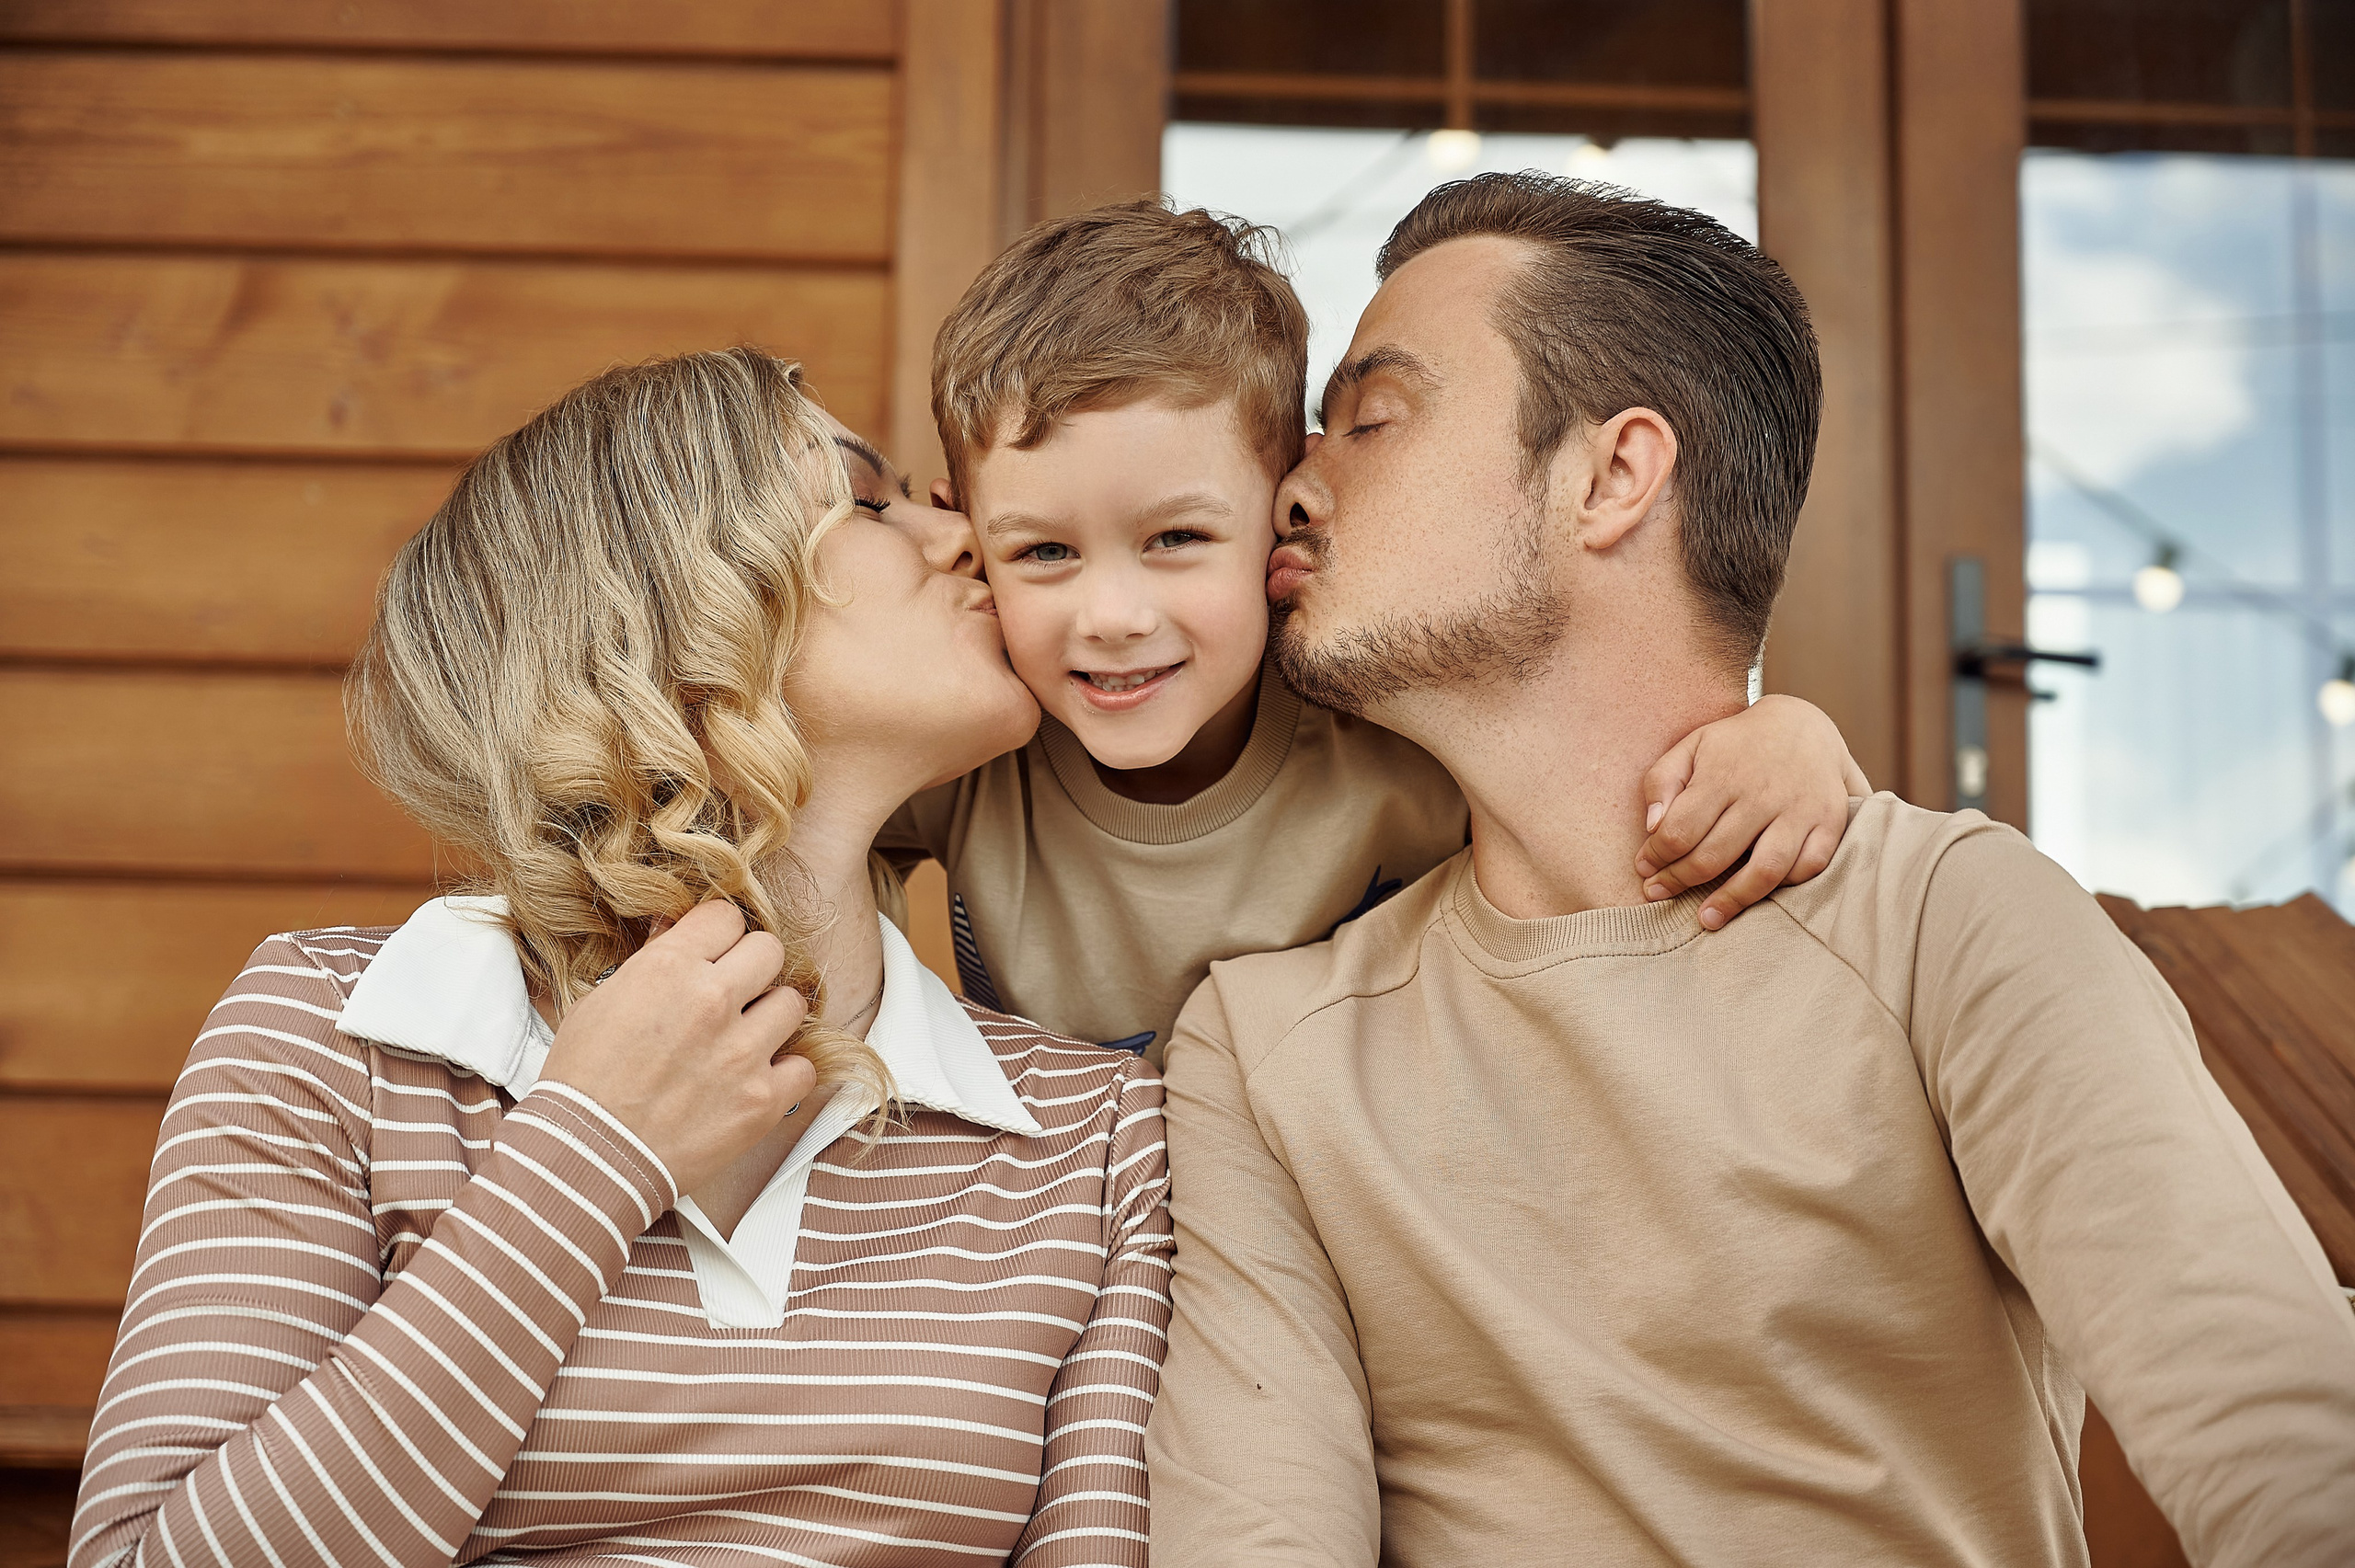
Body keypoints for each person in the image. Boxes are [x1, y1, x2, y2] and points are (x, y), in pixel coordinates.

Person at [1145, 174, 2355, 1567]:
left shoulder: (1945, 925)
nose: (1292, 480)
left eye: (1371, 420)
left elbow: (2286, 1450)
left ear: (1612, 476)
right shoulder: (1265, 1048)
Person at [69, 348, 1170, 1568]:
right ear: (657, 605)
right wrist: (591, 1151)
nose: (959, 533)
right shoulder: (338, 1037)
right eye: (867, 499)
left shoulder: (1091, 1131)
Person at [879, 200, 1872, 1061]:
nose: (1115, 618)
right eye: (1043, 554)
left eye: (1176, 538)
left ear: (1285, 501)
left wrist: (1785, 733)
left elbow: (1601, 762)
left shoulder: (1379, 724)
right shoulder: (969, 744)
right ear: (963, 532)